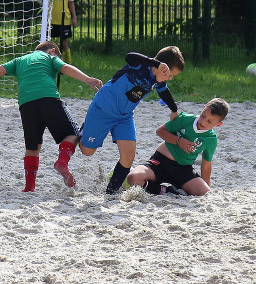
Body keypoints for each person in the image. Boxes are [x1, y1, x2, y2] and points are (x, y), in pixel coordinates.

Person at [0, 40, 103, 192]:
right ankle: (62, 162)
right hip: (49, 99)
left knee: (32, 146)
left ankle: (29, 187)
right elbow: (65, 68)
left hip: (26, 104)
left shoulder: (19, 60)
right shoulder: (50, 57)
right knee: (72, 133)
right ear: (52, 51)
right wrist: (87, 79)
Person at [79, 46, 185, 195]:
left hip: (124, 117)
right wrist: (155, 63)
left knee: (128, 156)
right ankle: (84, 129)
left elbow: (164, 92)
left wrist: (174, 110)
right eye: (171, 74)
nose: (171, 78)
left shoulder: (159, 80)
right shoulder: (140, 65)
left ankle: (111, 192)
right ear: (162, 68)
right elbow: (129, 56)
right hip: (102, 110)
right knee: (87, 151)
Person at [126, 98, 229, 196]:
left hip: (183, 169)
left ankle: (169, 187)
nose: (203, 121)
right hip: (160, 162)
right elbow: (160, 131)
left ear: (218, 124)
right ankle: (165, 190)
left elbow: (206, 164)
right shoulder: (185, 119)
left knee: (204, 193)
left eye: (209, 121)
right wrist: (178, 141)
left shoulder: (211, 139)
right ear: (203, 108)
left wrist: (207, 187)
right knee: (133, 178)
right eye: (203, 116)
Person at [50, 0, 77, 64]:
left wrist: (74, 17)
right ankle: (50, 62)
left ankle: (67, 64)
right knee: (49, 43)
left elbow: (71, 3)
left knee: (64, 43)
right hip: (51, 19)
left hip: (64, 20)